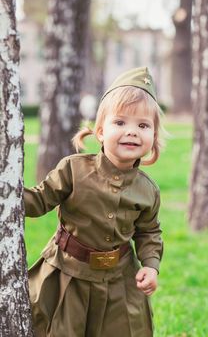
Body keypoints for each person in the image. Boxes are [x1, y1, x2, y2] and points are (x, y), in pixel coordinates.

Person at [25, 67, 164, 337]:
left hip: (119, 280)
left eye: (143, 125)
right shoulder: (73, 170)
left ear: (153, 137)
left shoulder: (148, 190)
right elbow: (40, 200)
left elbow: (149, 232)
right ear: (100, 132)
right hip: (68, 273)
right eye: (120, 123)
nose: (132, 132)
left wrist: (150, 265)